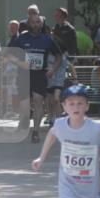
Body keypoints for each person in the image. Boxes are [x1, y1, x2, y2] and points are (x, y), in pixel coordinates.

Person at [8, 13, 62, 142]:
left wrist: (53, 69)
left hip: (39, 74)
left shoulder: (47, 39)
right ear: (28, 24)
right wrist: (20, 63)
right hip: (24, 74)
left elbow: (59, 56)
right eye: (33, 22)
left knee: (38, 101)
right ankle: (24, 120)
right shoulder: (21, 39)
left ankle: (36, 131)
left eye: (38, 22)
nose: (36, 25)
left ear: (42, 24)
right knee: (24, 106)